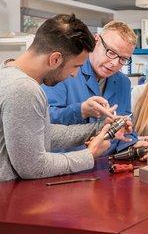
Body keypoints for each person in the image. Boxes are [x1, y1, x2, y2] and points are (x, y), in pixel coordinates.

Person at [0, 14, 133, 182]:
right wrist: (89, 155)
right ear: (55, 59)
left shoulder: (7, 75)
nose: (75, 74)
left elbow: (43, 134)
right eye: (75, 66)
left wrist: (98, 128)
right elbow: (33, 167)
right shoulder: (24, 88)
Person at [42, 21, 139, 155]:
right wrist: (81, 111)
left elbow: (124, 125)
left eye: (123, 59)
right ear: (96, 40)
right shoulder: (66, 71)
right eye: (111, 52)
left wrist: (133, 144)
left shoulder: (123, 82)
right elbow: (45, 118)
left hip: (106, 165)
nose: (115, 63)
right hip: (67, 162)